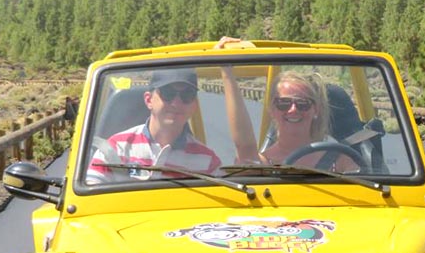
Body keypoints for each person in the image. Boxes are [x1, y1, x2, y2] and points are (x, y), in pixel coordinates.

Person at [215, 36, 332, 167]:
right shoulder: (263, 163)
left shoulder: (339, 160)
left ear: (316, 109)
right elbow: (244, 147)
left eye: (303, 104)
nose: (293, 109)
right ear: (271, 109)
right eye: (284, 103)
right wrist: (226, 71)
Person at [88, 68, 221, 182]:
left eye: (187, 95)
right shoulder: (115, 149)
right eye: (168, 93)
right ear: (149, 100)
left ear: (195, 105)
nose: (176, 103)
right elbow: (90, 196)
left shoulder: (208, 162)